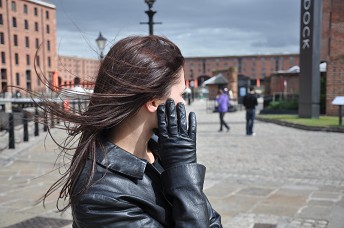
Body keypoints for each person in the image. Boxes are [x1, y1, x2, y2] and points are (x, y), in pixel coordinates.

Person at [40, 35, 222, 227]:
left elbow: (213, 221)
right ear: (153, 102)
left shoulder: (160, 151)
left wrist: (178, 167)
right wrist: (185, 179)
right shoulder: (102, 196)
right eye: (180, 94)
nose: (183, 103)